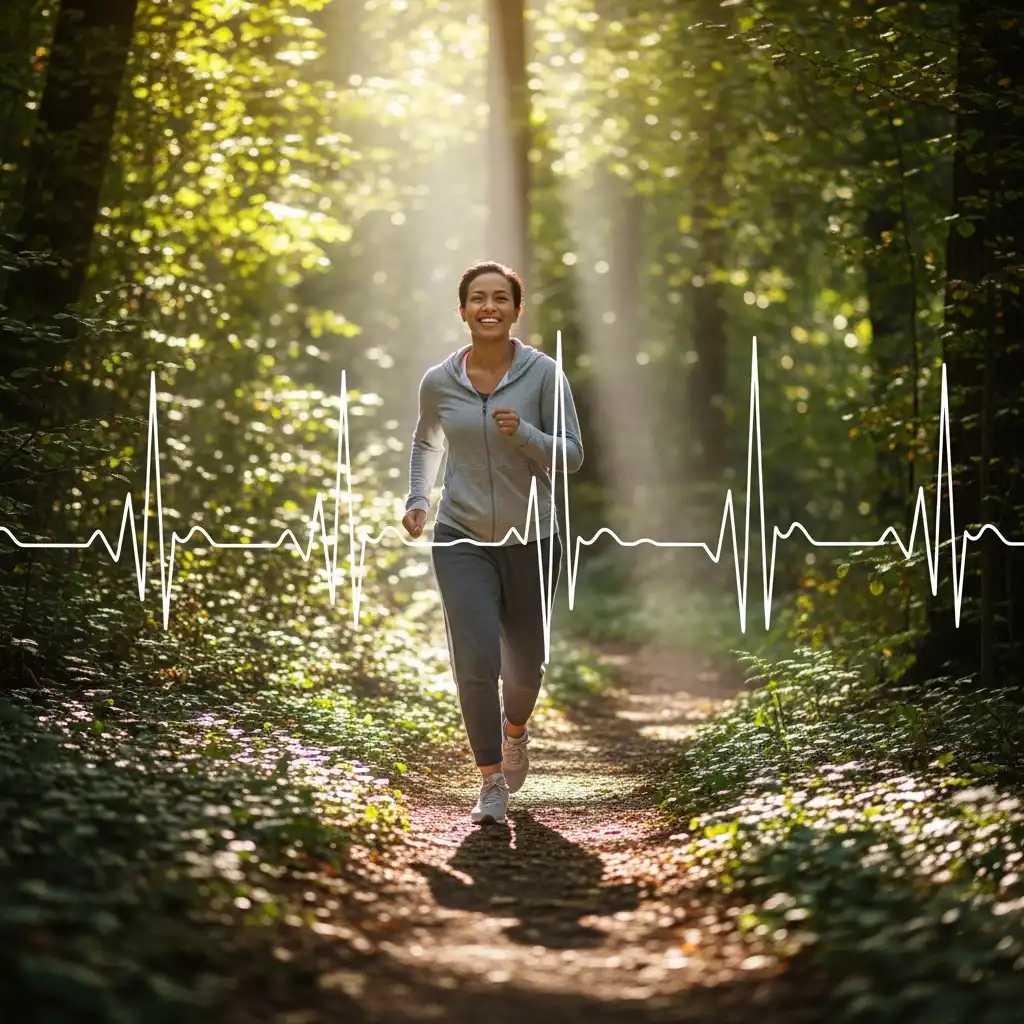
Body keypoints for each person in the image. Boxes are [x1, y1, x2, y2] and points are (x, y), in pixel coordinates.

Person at [401, 261, 584, 825]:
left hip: (533, 535)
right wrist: (418, 499)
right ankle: (490, 782)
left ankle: (515, 732)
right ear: (462, 311)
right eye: (478, 298)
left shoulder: (544, 374)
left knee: (526, 667)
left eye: (500, 298)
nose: (489, 306)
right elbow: (426, 443)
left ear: (516, 310)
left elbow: (573, 455)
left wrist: (525, 434)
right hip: (460, 534)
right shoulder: (439, 380)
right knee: (476, 660)